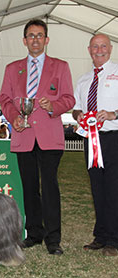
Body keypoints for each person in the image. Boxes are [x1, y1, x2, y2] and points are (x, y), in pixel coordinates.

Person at [0, 19, 75, 255]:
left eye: (39, 35)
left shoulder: (61, 67)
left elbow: (69, 99)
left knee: (50, 187)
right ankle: (34, 233)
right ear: (24, 41)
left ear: (47, 40)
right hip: (23, 136)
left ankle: (53, 239)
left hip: (49, 136)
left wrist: (52, 105)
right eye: (31, 35)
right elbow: (5, 100)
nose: (35, 39)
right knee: (29, 187)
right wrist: (14, 119)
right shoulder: (12, 69)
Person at [72, 34, 118, 256]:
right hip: (90, 139)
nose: (99, 50)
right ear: (89, 50)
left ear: (110, 49)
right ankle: (100, 236)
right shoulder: (83, 79)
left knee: (113, 190)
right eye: (95, 47)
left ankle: (114, 239)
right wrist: (78, 114)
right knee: (97, 189)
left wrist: (113, 113)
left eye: (103, 46)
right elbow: (76, 107)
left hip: (114, 138)